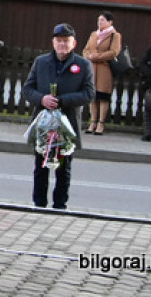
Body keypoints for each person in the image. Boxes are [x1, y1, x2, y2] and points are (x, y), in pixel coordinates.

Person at [21, 23, 95, 209]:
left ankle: (60, 204)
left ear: (74, 43)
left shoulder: (83, 64)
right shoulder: (41, 62)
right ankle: (39, 203)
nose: (62, 45)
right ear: (53, 42)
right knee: (40, 165)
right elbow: (28, 89)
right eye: (59, 41)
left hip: (67, 124)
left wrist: (62, 100)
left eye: (66, 41)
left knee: (64, 167)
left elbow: (89, 94)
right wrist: (42, 99)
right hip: (44, 123)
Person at [81, 11, 121, 135]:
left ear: (110, 22)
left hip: (105, 69)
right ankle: (93, 122)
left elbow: (114, 52)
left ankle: (101, 123)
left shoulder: (115, 35)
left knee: (103, 96)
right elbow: (86, 50)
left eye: (103, 20)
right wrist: (88, 56)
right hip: (92, 68)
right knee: (93, 96)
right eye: (99, 20)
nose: (100, 22)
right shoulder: (94, 34)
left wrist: (96, 57)